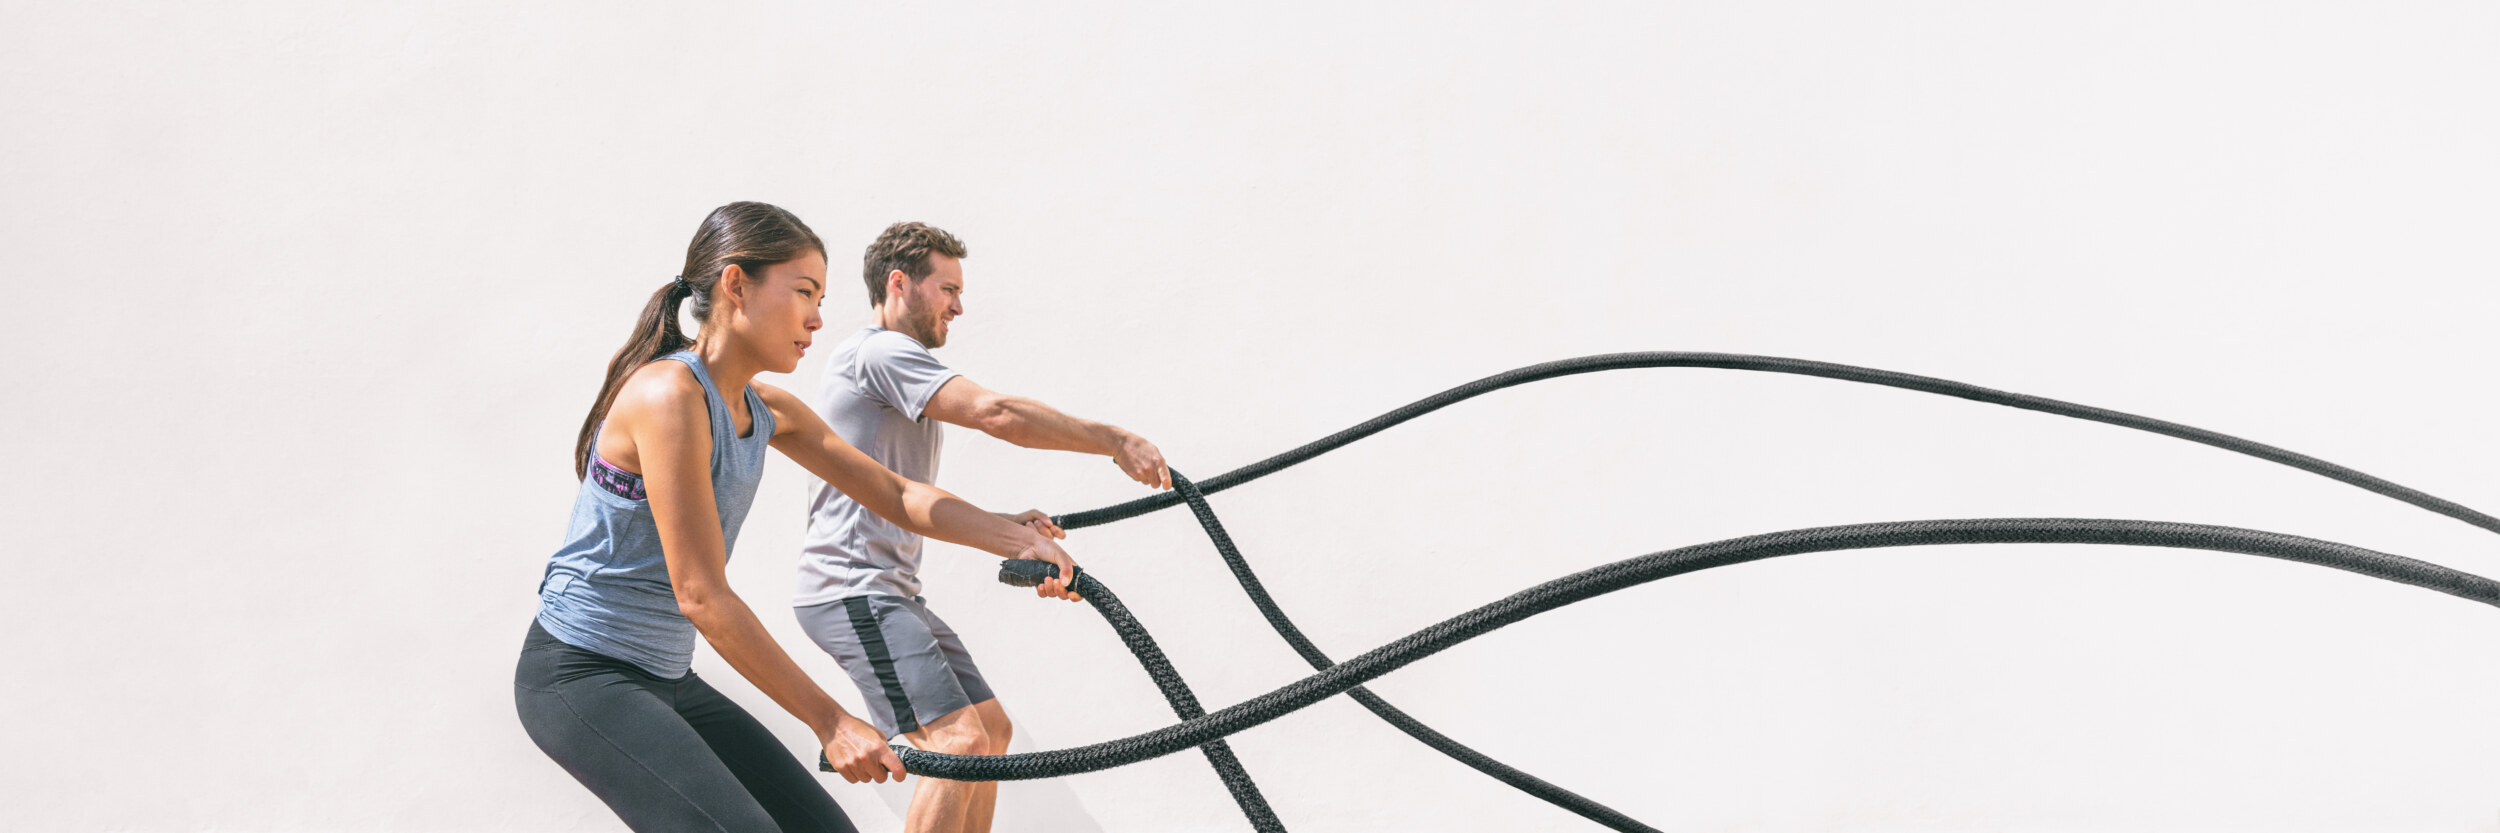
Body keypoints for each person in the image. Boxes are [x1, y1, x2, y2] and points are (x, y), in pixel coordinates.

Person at [516, 203, 1085, 833]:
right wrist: (831, 721)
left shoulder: (768, 409)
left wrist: (1014, 539)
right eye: (804, 292)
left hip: (667, 676)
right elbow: (701, 595)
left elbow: (897, 495)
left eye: (820, 298)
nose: (816, 318)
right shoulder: (668, 396)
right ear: (737, 285)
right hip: (580, 674)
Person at [793, 221, 1170, 833]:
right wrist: (1113, 440)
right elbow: (996, 414)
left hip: (890, 592)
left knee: (990, 733)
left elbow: (900, 495)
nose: (958, 307)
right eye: (947, 289)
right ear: (899, 284)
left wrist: (1004, 524)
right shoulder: (880, 352)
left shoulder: (887, 367)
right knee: (959, 744)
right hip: (852, 590)